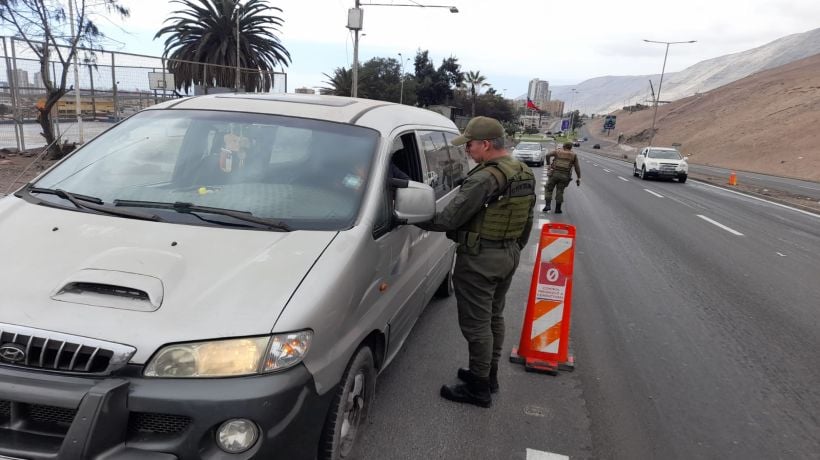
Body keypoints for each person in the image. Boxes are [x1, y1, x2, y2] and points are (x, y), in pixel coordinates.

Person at [416, 116, 536, 408]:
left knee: (477, 325)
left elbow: (448, 219)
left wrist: (412, 216)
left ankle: (478, 389)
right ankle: (488, 375)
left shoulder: (485, 177)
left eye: (469, 145)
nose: (467, 150)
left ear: (485, 144)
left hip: (481, 259)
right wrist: (512, 247)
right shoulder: (521, 171)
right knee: (494, 317)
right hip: (506, 255)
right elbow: (527, 220)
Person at [543, 142, 581, 214]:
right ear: (571, 147)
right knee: (560, 191)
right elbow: (577, 167)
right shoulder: (574, 155)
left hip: (554, 174)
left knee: (548, 189)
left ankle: (547, 205)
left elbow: (547, 155)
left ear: (563, 146)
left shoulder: (557, 151)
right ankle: (558, 209)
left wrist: (548, 164)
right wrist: (579, 178)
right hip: (565, 176)